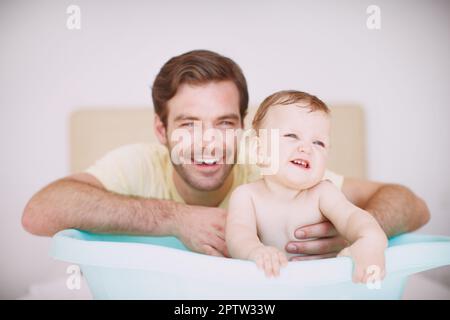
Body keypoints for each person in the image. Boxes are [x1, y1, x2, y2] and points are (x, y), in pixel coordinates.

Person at [22, 50, 429, 260]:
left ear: (245, 128)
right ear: (161, 130)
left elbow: (412, 205)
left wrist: (355, 232)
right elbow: (39, 212)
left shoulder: (272, 166)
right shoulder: (139, 163)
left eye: (224, 123)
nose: (209, 142)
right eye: (187, 124)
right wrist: (177, 218)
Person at [226, 90, 387, 283]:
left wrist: (370, 240)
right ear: (259, 150)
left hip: (319, 287)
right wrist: (255, 251)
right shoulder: (247, 196)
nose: (306, 148)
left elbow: (353, 217)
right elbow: (238, 235)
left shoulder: (323, 193)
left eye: (318, 142)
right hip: (269, 286)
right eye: (292, 135)